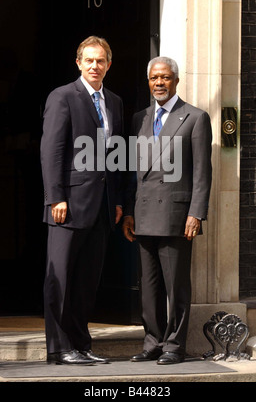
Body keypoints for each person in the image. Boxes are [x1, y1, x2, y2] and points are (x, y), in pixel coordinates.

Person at [123, 56, 212, 365]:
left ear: (176, 80)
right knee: (148, 288)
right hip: (144, 215)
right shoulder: (140, 118)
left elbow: (202, 171)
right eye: (153, 78)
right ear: (148, 82)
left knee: (176, 287)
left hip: (177, 217)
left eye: (164, 78)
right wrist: (130, 211)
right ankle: (152, 342)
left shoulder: (195, 117)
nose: (159, 83)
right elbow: (133, 170)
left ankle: (174, 346)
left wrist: (196, 213)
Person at [41, 36, 123, 365]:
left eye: (100, 60)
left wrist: (116, 200)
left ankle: (80, 344)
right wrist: (55, 197)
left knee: (87, 281)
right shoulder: (62, 97)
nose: (94, 66)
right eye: (88, 60)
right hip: (68, 206)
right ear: (78, 63)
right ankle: (59, 348)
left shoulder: (114, 101)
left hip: (101, 207)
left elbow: (115, 154)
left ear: (108, 64)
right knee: (59, 278)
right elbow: (52, 152)